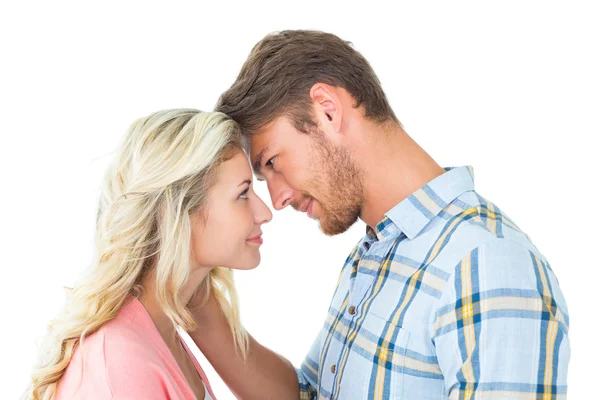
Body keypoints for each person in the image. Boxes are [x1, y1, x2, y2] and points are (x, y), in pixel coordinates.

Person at [188, 30, 570, 399]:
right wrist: (197, 301)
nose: (277, 198)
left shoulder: (486, 264)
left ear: (327, 109)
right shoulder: (373, 253)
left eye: (272, 161)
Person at [26, 109, 272, 400]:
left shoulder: (161, 332)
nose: (264, 213)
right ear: (180, 213)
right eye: (243, 194)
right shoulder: (120, 363)